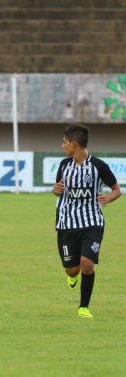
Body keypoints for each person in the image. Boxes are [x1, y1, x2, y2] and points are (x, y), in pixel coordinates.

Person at [52, 124, 121, 318]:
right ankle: (72, 277)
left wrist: (109, 198)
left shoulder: (99, 166)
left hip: (92, 222)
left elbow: (117, 189)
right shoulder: (64, 165)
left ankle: (83, 307)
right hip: (66, 224)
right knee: (72, 270)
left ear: (74, 144)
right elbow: (58, 189)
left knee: (87, 264)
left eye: (65, 142)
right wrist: (54, 190)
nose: (62, 146)